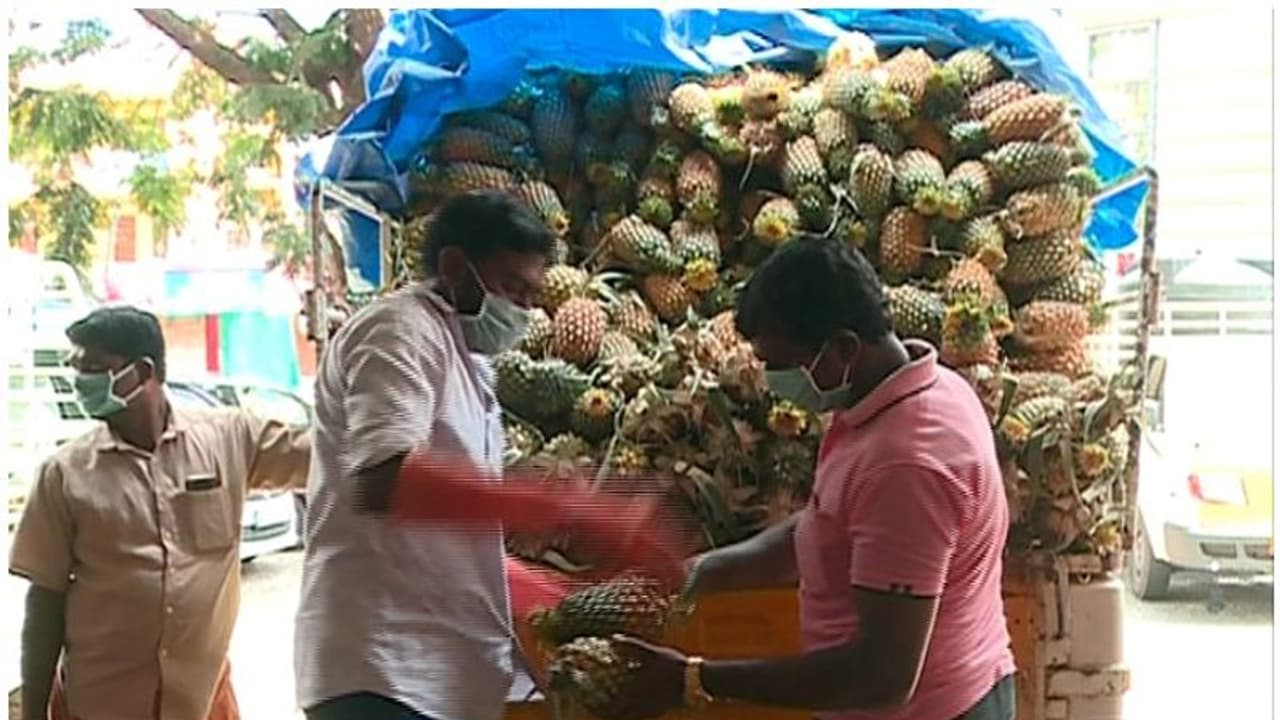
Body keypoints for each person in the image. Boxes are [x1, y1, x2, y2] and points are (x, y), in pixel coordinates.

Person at [295, 190, 687, 720]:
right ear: (455, 267)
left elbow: (448, 526)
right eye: (510, 287)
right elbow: (384, 479)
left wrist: (541, 591)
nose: (522, 310)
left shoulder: (473, 366)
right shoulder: (399, 331)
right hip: (382, 675)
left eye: (531, 296)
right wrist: (567, 509)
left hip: (442, 679)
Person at [607, 237, 1016, 720]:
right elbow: (829, 527)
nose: (771, 381)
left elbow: (881, 675)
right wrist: (705, 570)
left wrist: (693, 679)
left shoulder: (906, 464)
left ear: (843, 348)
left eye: (781, 365)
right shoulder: (919, 388)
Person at [9, 305, 310, 720]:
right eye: (77, 367)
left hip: (202, 703)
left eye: (95, 368)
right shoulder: (65, 475)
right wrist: (30, 713)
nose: (81, 381)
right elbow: (43, 606)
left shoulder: (230, 438)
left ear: (143, 372)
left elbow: (324, 458)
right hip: (99, 706)